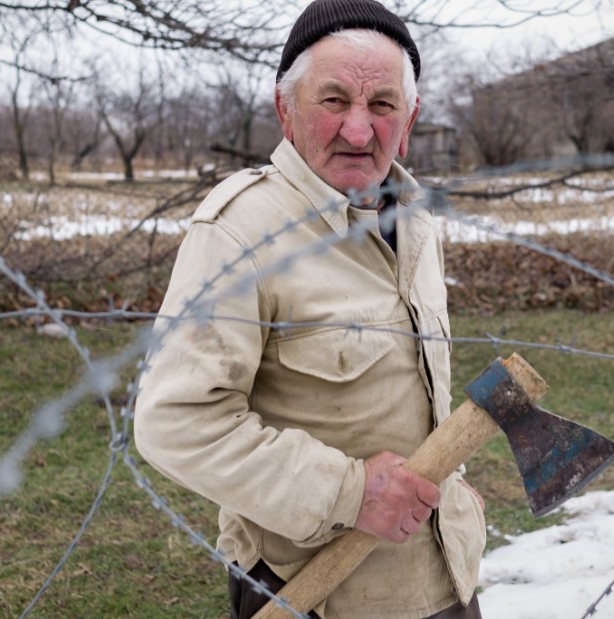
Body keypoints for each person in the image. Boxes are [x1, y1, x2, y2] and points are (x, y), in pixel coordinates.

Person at [133, 1, 486, 618]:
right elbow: (175, 421)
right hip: (314, 594)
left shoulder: (415, 218)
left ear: (409, 119)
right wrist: (351, 493)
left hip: (440, 577)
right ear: (285, 110)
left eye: (382, 105)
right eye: (333, 101)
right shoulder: (241, 229)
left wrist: (450, 489)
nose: (359, 130)